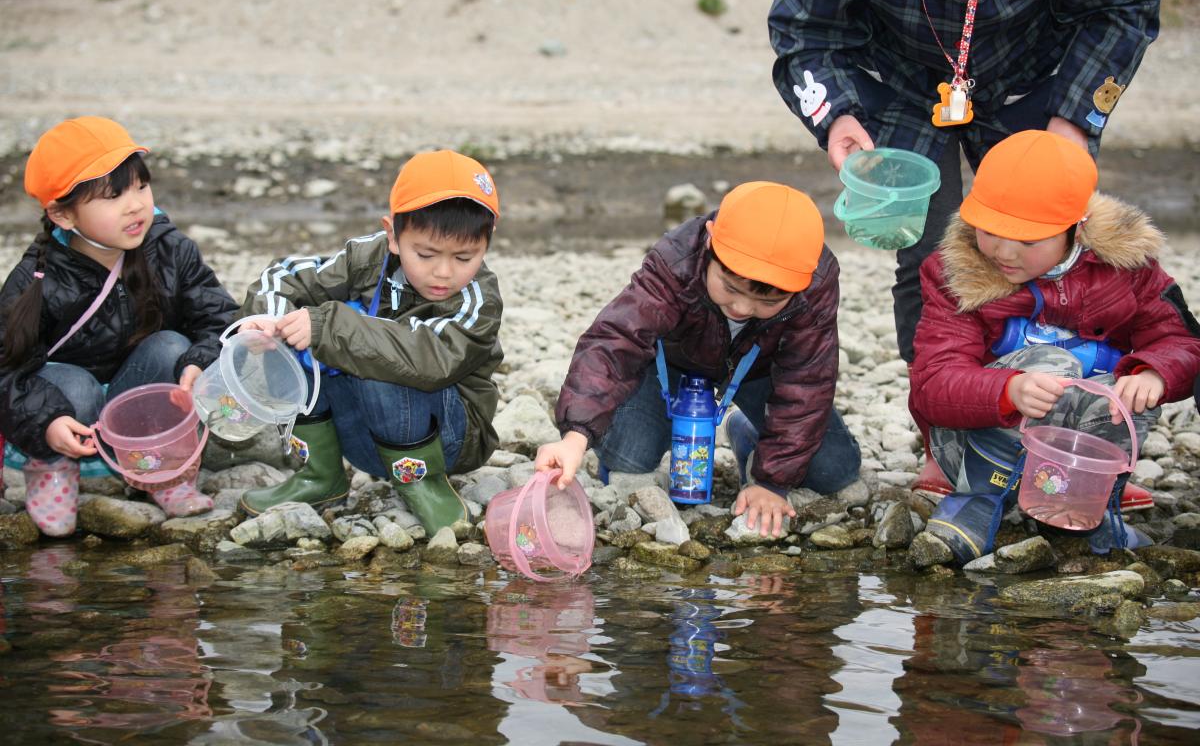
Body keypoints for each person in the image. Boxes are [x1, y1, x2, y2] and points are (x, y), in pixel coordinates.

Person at [768, 0, 1161, 500]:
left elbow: (1127, 1)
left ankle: (1087, 441)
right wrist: (837, 114)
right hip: (900, 83)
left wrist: (1076, 117)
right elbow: (803, 26)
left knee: (1047, 241)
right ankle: (946, 438)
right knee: (929, 252)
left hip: (1036, 76)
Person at [909, 130, 1200, 562]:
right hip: (974, 446)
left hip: (1075, 454)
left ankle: (1087, 506)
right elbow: (932, 384)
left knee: (1126, 395)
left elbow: (1179, 338)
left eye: (1028, 241)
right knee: (1053, 364)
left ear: (1076, 230)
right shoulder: (954, 273)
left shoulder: (1128, 266)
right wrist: (1007, 390)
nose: (1004, 252)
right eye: (990, 231)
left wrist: (1155, 371)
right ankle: (978, 502)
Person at [536, 182, 861, 538]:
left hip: (758, 373)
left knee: (834, 471)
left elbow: (807, 381)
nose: (741, 308)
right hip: (671, 367)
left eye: (767, 303)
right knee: (630, 458)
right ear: (710, 242)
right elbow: (615, 341)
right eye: (730, 288)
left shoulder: (816, 280)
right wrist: (576, 435)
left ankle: (746, 434)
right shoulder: (677, 258)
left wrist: (772, 481)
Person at [236, 150, 503, 535]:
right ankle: (320, 476)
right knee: (290, 332)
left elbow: (433, 361)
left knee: (376, 352)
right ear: (393, 235)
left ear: (487, 242)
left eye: (465, 256)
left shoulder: (479, 299)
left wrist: (330, 328)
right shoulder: (369, 257)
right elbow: (284, 275)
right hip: (363, 436)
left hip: (446, 439)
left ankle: (425, 486)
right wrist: (267, 320)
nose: (444, 272)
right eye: (425, 254)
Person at [0, 116, 239, 536]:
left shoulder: (169, 248)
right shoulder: (38, 280)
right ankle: (52, 468)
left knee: (170, 347)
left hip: (135, 393)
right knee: (75, 386)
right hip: (67, 406)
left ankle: (161, 470)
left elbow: (218, 316)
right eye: (113, 197)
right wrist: (48, 423)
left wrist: (199, 361)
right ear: (63, 214)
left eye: (141, 187)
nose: (135, 205)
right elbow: (6, 372)